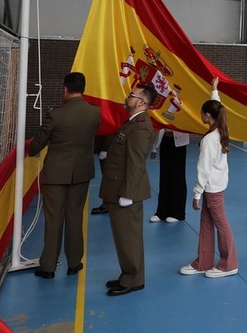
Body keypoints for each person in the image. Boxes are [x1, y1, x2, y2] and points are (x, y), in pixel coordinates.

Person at [28, 72, 101, 279]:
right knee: (75, 217)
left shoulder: (56, 114)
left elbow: (37, 144)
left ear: (65, 89)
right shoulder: (95, 113)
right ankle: (74, 263)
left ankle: (48, 267)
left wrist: (33, 147)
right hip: (81, 172)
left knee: (53, 220)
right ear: (83, 89)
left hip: (55, 174)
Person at [100, 82, 156, 296]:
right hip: (118, 188)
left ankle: (134, 280)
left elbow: (136, 162)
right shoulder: (132, 123)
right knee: (122, 238)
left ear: (142, 102)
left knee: (129, 238)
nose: (128, 97)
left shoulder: (141, 126)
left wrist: (128, 194)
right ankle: (127, 274)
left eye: (132, 95)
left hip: (127, 192)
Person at [180, 88, 238, 278]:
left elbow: (203, 169)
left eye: (202, 114)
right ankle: (203, 262)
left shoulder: (209, 140)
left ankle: (228, 264)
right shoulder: (222, 129)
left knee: (221, 224)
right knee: (206, 223)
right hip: (217, 186)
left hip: (212, 189)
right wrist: (214, 92)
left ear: (207, 115)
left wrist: (196, 194)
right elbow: (219, 108)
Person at [149, 127, 190, 223]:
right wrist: (155, 148)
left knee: (178, 178)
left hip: (179, 144)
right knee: (164, 177)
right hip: (165, 141)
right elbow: (161, 128)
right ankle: (161, 212)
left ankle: (177, 213)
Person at [90, 135, 113, 215]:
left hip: (109, 149)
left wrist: (106, 148)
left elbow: (112, 130)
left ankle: (109, 205)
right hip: (102, 147)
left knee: (109, 178)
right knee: (107, 178)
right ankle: (108, 204)